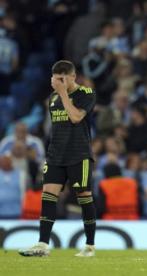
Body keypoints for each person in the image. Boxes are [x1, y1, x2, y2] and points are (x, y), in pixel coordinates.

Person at [19, 60, 97, 257]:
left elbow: (76, 118)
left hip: (79, 155)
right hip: (55, 155)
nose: (59, 83)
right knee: (48, 197)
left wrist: (63, 93)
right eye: (56, 79)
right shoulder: (52, 98)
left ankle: (89, 245)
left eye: (63, 79)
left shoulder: (86, 94)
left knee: (84, 197)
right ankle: (43, 244)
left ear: (73, 76)